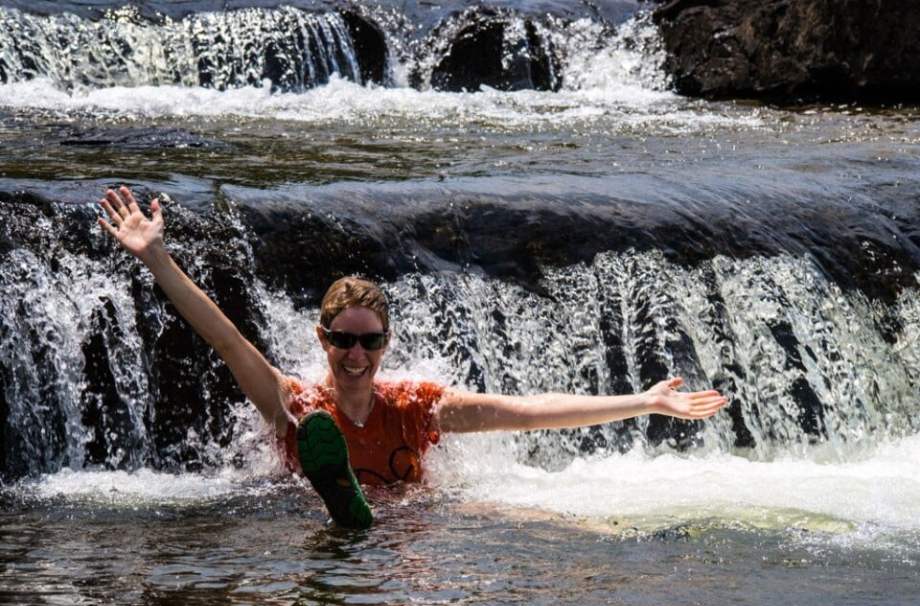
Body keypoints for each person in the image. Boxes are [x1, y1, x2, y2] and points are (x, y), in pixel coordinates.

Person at [99, 186, 728, 528]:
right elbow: (226, 338)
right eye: (343, 339)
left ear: (384, 345)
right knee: (299, 514)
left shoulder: (417, 407)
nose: (355, 354)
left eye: (369, 341)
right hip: (312, 519)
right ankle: (336, 499)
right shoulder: (293, 405)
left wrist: (645, 401)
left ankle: (614, 536)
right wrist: (156, 255)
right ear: (323, 340)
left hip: (403, 524)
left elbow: (530, 411)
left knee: (517, 517)